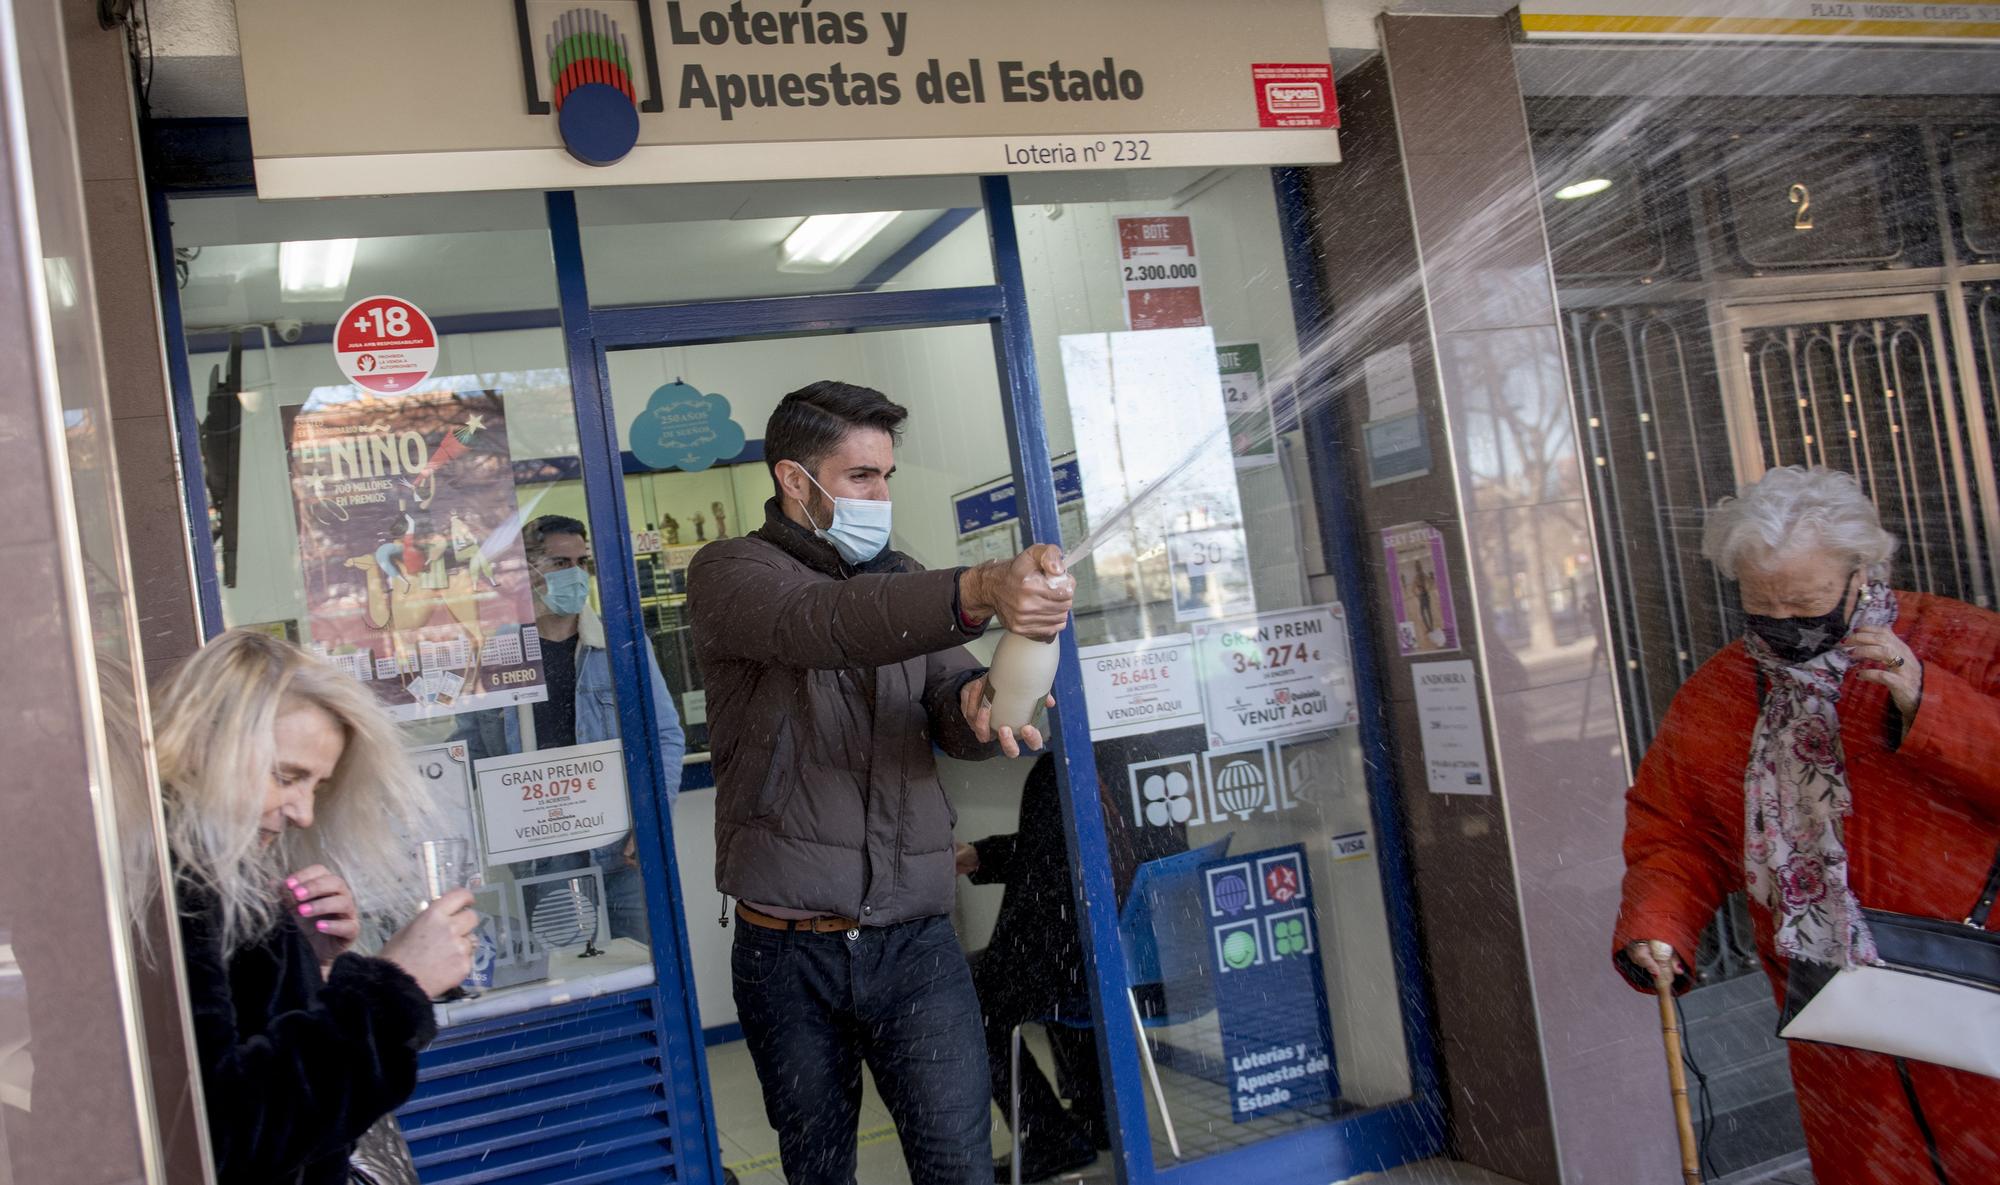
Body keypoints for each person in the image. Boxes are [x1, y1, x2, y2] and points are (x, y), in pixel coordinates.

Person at [687, 380, 1072, 1185]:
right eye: (862, 476)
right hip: (789, 952)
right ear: (796, 480)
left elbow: (945, 708)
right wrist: (977, 588)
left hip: (917, 942)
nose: (881, 494)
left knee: (957, 1166)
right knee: (820, 1169)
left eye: (887, 475)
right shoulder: (730, 574)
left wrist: (979, 707)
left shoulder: (904, 579)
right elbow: (824, 625)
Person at [1612, 467, 2000, 1185]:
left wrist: (1928, 702)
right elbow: (1678, 827)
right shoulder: (1722, 692)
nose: (1788, 625)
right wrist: (1658, 921)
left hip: (1974, 981)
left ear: (1862, 573)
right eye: (1766, 608)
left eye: (1808, 602)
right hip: (1839, 1013)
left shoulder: (1965, 644)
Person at [143, 629, 481, 1185]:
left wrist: (311, 967)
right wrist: (393, 987)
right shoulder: (175, 891)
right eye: (286, 776)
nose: (302, 811)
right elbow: (222, 1139)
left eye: (317, 787)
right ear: (205, 744)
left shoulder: (217, 878)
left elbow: (268, 1077)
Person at [962, 731, 1198, 1183]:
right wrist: (982, 857)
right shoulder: (1151, 755)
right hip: (1156, 964)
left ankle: (1051, 1137)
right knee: (1058, 967)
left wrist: (983, 860)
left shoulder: (1063, 769)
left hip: (1102, 970)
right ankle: (1098, 1115)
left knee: (972, 996)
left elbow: (1048, 878)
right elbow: (1070, 854)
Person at [461, 513, 685, 944]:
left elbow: (664, 735)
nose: (578, 575)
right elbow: (471, 749)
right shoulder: (498, 655)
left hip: (622, 848)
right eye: (562, 563)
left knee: (645, 962)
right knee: (568, 975)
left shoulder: (622, 644)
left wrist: (652, 818)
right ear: (527, 571)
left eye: (584, 563)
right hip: (545, 855)